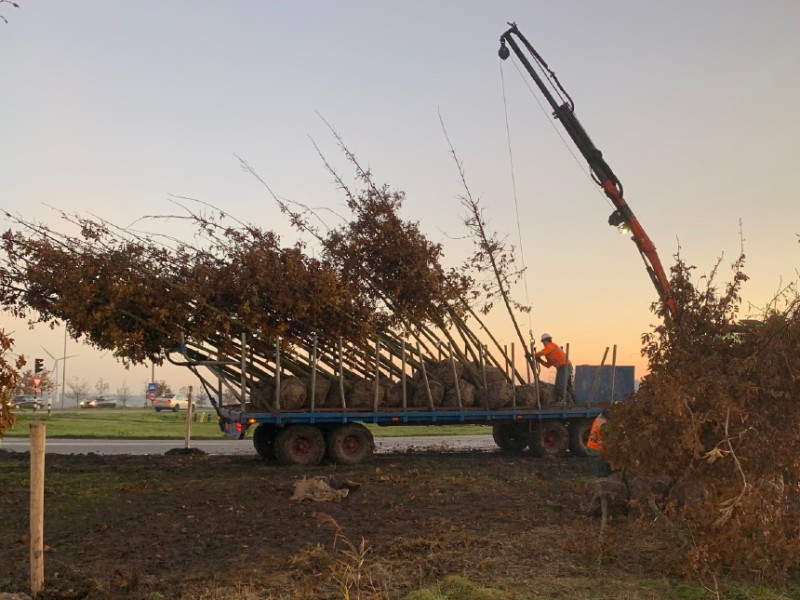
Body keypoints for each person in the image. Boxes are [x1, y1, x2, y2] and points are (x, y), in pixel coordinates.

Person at [535, 333, 576, 403]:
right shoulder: (548, 353)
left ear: (547, 340)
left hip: (564, 366)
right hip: (564, 367)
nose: (543, 343)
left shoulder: (551, 346)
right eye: (542, 342)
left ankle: (569, 401)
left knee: (559, 387)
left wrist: (533, 355)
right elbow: (548, 365)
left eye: (544, 341)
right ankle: (575, 401)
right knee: (567, 387)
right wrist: (540, 360)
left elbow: (541, 352)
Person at [587, 407, 611, 477]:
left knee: (598, 469)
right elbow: (608, 436)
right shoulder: (604, 423)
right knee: (601, 473)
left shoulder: (599, 419)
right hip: (597, 449)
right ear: (607, 415)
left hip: (592, 447)